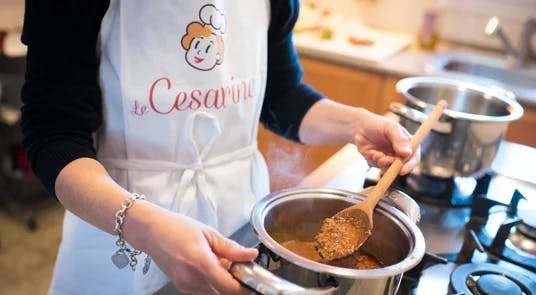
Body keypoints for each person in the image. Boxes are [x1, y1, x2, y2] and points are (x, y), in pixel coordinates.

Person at [20, 1, 419, 294]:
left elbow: (279, 94)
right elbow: (54, 136)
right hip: (119, 223)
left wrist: (356, 125)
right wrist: (149, 228)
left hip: (238, 222)